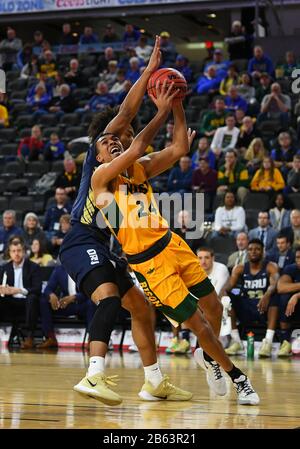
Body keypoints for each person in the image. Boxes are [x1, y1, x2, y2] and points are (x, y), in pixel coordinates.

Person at [91, 82, 259, 405]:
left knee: (213, 307)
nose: (112, 143)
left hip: (173, 245)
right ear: (98, 157)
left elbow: (181, 147)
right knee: (199, 323)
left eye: (115, 139)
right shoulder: (101, 180)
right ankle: (238, 377)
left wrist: (178, 102)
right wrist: (163, 109)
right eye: (106, 143)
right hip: (149, 264)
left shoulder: (137, 170)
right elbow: (136, 148)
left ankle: (209, 358)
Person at [60, 38, 193, 406]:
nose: (119, 141)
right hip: (80, 240)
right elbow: (127, 117)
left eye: (123, 138)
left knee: (140, 307)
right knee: (109, 299)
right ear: (101, 144)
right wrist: (155, 88)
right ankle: (94, 374)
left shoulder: (128, 173)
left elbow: (150, 146)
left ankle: (153, 381)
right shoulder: (97, 161)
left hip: (101, 246)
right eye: (113, 137)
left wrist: (161, 92)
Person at [225, 239, 279, 358]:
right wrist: (223, 295)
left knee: (274, 296)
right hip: (246, 308)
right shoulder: (239, 268)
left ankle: (268, 342)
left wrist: (266, 295)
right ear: (246, 252)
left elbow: (275, 284)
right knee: (228, 299)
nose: (253, 252)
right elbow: (227, 287)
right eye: (250, 249)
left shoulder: (271, 266)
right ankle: (236, 341)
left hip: (263, 308)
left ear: (262, 251)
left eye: (257, 249)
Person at [38, 264, 96, 348]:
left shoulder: (85, 268)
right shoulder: (59, 270)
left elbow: (89, 291)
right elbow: (48, 288)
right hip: (65, 305)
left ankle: (92, 339)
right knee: (43, 301)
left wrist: (74, 297)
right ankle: (50, 338)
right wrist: (51, 295)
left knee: (91, 302)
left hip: (82, 304)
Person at [0, 240, 42, 349]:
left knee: (32, 298)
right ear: (9, 253)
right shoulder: (5, 268)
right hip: (10, 302)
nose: (16, 253)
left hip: (27, 301)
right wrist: (3, 290)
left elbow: (37, 289)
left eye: (19, 250)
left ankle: (29, 337)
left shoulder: (33, 267)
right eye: (13, 251)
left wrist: (19, 290)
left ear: (23, 252)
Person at [277, 247, 300, 356]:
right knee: (283, 297)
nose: (299, 260)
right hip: (295, 306)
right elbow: (281, 287)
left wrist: (297, 295)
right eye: (297, 258)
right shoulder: (291, 268)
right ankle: (285, 342)